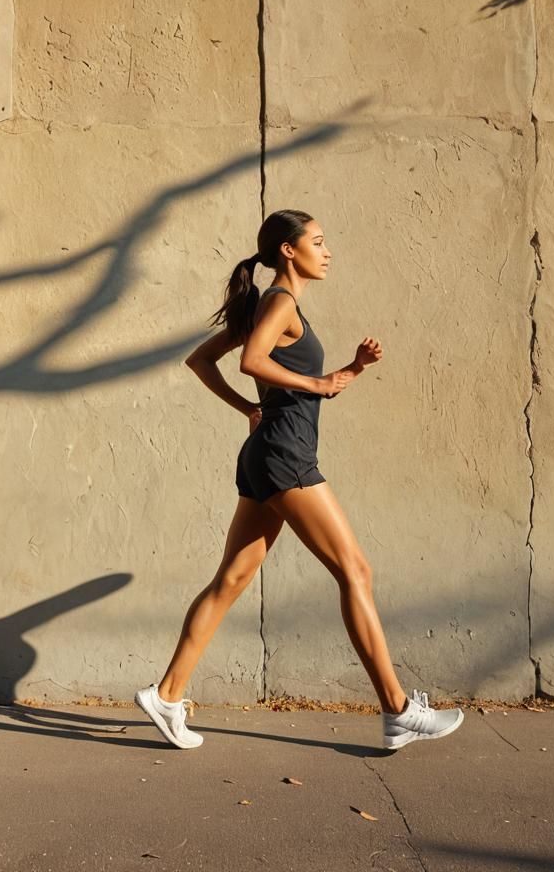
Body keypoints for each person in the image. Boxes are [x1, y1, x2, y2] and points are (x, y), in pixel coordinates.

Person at [134, 209, 464, 751]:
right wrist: (311, 380)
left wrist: (349, 371)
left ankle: (168, 696)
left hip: (268, 455)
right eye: (318, 241)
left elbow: (203, 360)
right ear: (289, 251)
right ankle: (399, 711)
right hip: (286, 459)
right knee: (355, 570)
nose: (327, 250)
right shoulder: (282, 302)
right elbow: (251, 361)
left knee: (231, 581)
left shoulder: (271, 304)